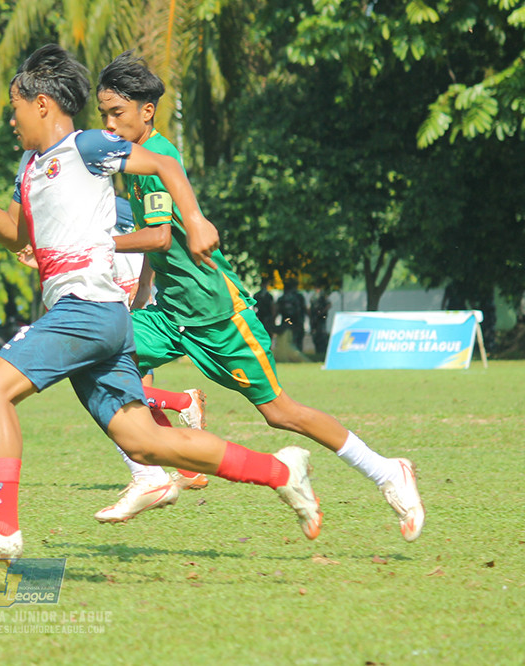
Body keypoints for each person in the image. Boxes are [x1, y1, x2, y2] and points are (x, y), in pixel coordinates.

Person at [0, 44, 322, 562]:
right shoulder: (29, 165)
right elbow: (17, 235)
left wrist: (195, 220)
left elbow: (164, 164)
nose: (10, 119)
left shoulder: (87, 145)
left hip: (87, 309)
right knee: (146, 443)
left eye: (14, 106)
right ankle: (281, 470)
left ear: (41, 103)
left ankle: (0, 526)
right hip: (102, 318)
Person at [96, 51, 424, 541]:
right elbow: (160, 241)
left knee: (280, 413)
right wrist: (142, 291)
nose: (108, 124)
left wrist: (92, 245)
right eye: (102, 114)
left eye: (116, 113)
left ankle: (386, 470)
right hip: (171, 314)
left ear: (147, 111)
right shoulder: (135, 159)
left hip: (216, 315)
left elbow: (159, 236)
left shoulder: (154, 159)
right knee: (101, 354)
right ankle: (155, 473)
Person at [18, 198, 210, 523]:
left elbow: (91, 278)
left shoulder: (111, 246)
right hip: (134, 320)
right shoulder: (133, 244)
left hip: (118, 326)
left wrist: (45, 261)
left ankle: (182, 405)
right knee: (138, 409)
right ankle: (189, 470)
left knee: (117, 404)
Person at [277, 277, 307, 351]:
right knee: (298, 340)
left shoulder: (282, 298)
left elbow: (277, 310)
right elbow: (304, 308)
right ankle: (298, 353)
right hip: (298, 321)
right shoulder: (299, 297)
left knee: (286, 339)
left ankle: (287, 352)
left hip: (286, 321)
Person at [309, 286, 332, 357]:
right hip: (314, 319)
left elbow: (329, 304)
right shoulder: (313, 296)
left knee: (321, 335)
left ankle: (322, 351)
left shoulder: (322, 295)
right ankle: (318, 350)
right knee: (315, 335)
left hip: (320, 319)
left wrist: (322, 312)